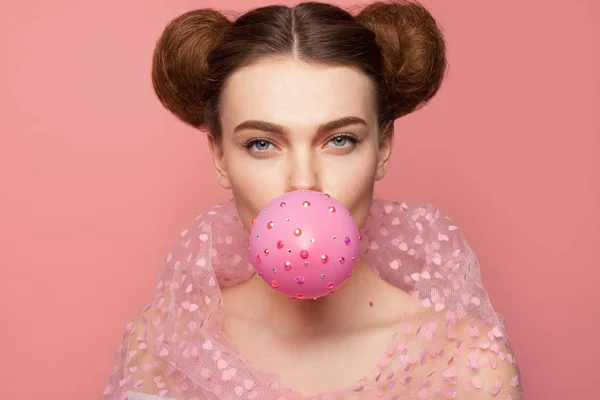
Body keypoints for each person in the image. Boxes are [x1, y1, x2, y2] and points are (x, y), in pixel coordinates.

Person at [102, 1, 523, 399]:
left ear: (383, 148)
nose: (303, 181)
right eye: (262, 144)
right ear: (219, 157)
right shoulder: (161, 347)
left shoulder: (466, 361)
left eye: (340, 140)